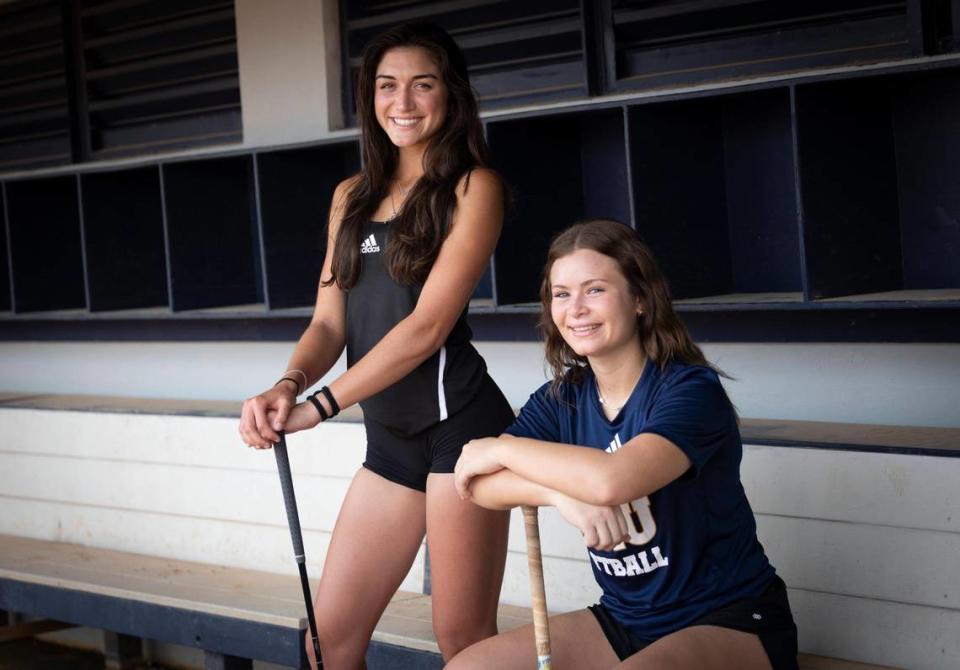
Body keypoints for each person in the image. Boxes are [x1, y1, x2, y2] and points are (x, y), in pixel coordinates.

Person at [238, 21, 514, 669]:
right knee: (328, 644)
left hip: (460, 430)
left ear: (451, 95)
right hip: (390, 439)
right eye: (388, 86)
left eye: (424, 85)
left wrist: (320, 406)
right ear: (371, 97)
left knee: (464, 642)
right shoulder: (350, 198)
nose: (404, 102)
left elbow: (425, 329)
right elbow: (329, 323)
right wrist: (288, 384)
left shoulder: (475, 189)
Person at [449, 219, 799, 670]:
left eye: (594, 290)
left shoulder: (689, 389)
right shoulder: (564, 398)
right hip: (626, 620)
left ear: (639, 298)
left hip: (728, 619)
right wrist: (558, 494)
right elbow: (478, 486)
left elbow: (613, 480)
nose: (575, 308)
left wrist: (499, 448)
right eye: (561, 293)